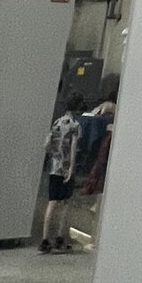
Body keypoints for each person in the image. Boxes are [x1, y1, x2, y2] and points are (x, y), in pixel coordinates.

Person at [40, 94, 83, 254]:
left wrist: (54, 156)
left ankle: (45, 239)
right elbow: (73, 147)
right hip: (66, 169)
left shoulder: (57, 122)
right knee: (65, 203)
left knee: (52, 202)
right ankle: (60, 238)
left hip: (54, 166)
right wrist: (71, 167)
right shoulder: (75, 125)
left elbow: (47, 144)